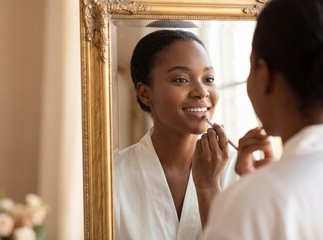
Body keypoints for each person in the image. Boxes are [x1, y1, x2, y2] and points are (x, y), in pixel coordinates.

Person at [203, 0, 323, 239]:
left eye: (209, 78)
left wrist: (260, 189)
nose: (201, 92)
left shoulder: (250, 204)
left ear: (264, 75)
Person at [114, 29, 239, 240]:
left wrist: (208, 189)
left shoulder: (239, 171)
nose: (202, 91)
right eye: (181, 80)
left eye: (208, 78)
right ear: (145, 94)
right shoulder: (112, 175)